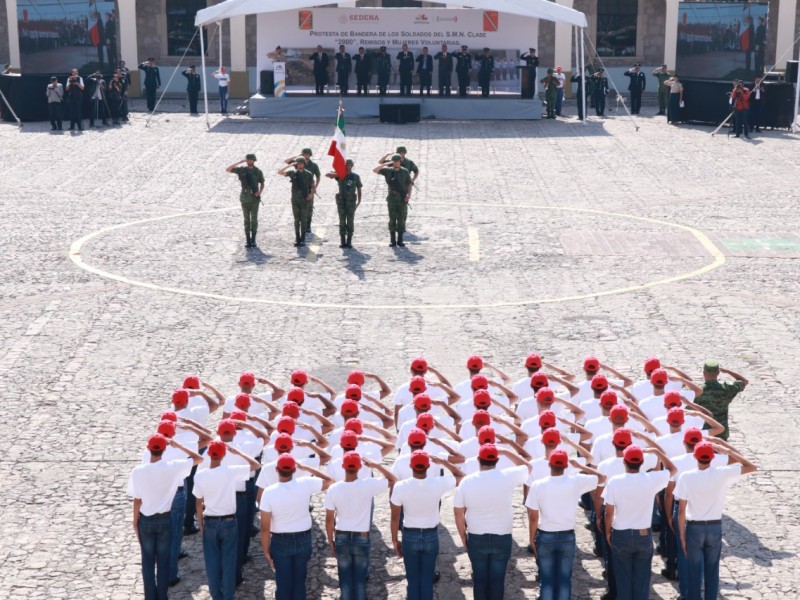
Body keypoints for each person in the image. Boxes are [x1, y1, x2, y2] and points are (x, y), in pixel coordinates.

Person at [676, 440, 757, 600]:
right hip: (714, 527)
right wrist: (726, 450)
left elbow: (681, 511)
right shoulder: (722, 473)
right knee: (712, 570)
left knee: (694, 571)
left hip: (694, 527)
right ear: (712, 457)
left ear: (695, 457)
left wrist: (682, 536)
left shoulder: (686, 477)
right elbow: (751, 466)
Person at [127, 433, 203, 600]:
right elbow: (199, 458)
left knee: (147, 561)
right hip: (164, 519)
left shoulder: (138, 471)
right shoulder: (173, 467)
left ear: (148, 449)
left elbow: (137, 500)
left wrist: (134, 521)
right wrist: (178, 445)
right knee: (163, 561)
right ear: (164, 449)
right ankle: (162, 596)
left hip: (145, 520)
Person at [454, 444, 530, 600]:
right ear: (497, 460)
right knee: (497, 580)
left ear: (478, 460)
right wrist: (505, 450)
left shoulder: (467, 481)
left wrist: (463, 536)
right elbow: (528, 466)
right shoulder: (507, 476)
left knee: (480, 580)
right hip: (502, 536)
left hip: (477, 536)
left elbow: (458, 512)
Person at [526, 450, 605, 600]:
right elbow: (602, 478)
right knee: (564, 580)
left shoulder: (538, 485)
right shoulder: (575, 481)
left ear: (549, 464)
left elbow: (533, 517)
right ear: (566, 465)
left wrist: (531, 538)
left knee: (547, 579)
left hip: (545, 535)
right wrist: (581, 466)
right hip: (567, 536)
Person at [603, 444, 677, 600]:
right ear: (642, 462)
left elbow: (609, 512)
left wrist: (608, 532)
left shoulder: (615, 481)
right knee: (642, 582)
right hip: (643, 535)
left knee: (623, 581)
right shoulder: (651, 479)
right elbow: (673, 469)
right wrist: (657, 452)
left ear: (625, 462)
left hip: (621, 533)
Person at [391, 451, 465, 600]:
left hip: (410, 535)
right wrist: (444, 462)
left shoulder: (400, 486)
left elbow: (394, 518)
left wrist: (395, 540)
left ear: (411, 466)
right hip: (431, 536)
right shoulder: (437, 482)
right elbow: (461, 477)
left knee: (412, 580)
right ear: (428, 466)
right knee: (426, 579)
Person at [260, 453, 334, 600]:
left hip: (280, 542)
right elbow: (330, 481)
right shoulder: (305, 482)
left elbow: (264, 527)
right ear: (294, 470)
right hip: (302, 539)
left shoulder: (269, 492)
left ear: (276, 470)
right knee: (300, 581)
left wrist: (266, 550)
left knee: (283, 583)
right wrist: (307, 468)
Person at [324, 452, 397, 600]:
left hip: (341, 537)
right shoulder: (368, 484)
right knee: (360, 580)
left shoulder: (334, 488)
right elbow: (393, 479)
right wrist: (376, 465)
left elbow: (329, 519)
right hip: (361, 538)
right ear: (359, 467)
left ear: (343, 466)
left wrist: (330, 541)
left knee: (344, 579)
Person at [193, 440, 260, 600]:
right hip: (229, 522)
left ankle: (216, 596)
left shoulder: (201, 475)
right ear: (224, 455)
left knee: (212, 564)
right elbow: (256, 465)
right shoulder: (230, 472)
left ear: (208, 454)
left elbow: (198, 502)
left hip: (210, 522)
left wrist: (201, 524)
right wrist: (238, 452)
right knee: (229, 562)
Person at [696, 360, 748, 440]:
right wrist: (728, 371)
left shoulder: (698, 391)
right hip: (722, 431)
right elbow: (744, 381)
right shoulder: (727, 388)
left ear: (704, 373)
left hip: (704, 431)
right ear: (718, 373)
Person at [374, 154, 412, 248]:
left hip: (402, 198)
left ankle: (400, 240)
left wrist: (409, 195)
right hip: (392, 198)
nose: (396, 163)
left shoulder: (405, 171)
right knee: (392, 219)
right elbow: (375, 170)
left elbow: (409, 184)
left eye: (397, 161)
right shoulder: (388, 171)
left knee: (401, 219)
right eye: (394, 161)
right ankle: (392, 240)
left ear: (400, 162)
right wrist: (386, 163)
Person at [226, 154, 265, 249]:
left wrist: (259, 192)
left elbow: (262, 182)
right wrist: (239, 163)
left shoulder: (257, 171)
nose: (249, 161)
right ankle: (248, 240)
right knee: (246, 219)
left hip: (254, 197)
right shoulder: (241, 170)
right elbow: (228, 169)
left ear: (254, 160)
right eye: (247, 160)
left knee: (254, 219)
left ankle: (253, 239)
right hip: (244, 196)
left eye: (251, 160)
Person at [279, 158, 316, 247]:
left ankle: (302, 239)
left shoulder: (308, 174)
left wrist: (311, 195)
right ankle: (297, 238)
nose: (300, 165)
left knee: (303, 219)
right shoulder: (293, 173)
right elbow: (280, 172)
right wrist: (290, 165)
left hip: (304, 199)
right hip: (295, 199)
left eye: (301, 163)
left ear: (304, 164)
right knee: (296, 220)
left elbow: (312, 185)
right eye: (298, 163)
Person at [325, 159, 362, 249]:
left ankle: (349, 241)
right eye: (347, 166)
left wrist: (359, 201)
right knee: (342, 220)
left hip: (351, 201)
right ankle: (342, 241)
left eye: (350, 165)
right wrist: (340, 173)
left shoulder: (355, 176)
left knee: (350, 221)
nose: (348, 167)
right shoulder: (339, 175)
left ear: (352, 166)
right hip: (341, 201)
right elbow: (328, 175)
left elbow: (359, 188)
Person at [284, 149, 321, 236]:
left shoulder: (314, 165)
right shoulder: (298, 162)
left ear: (310, 155)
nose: (305, 155)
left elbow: (318, 177)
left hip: (309, 189)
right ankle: (303, 229)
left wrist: (315, 188)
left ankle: (308, 226)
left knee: (309, 208)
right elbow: (286, 161)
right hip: (298, 189)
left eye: (307, 154)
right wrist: (297, 156)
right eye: (304, 154)